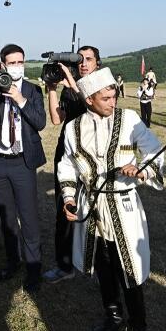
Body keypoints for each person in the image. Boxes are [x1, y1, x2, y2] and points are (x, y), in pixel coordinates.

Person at [59, 67, 164, 331]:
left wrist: (140, 169)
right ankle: (113, 317)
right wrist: (69, 198)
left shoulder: (129, 119)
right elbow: (67, 164)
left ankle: (138, 326)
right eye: (105, 98)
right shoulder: (73, 127)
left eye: (113, 95)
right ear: (89, 99)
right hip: (91, 206)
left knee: (128, 267)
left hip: (123, 206)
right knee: (103, 266)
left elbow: (153, 149)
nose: (112, 101)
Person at [0, 43, 46, 292]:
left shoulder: (33, 90)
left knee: (28, 217)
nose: (17, 66)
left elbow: (40, 122)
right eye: (12, 63)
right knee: (7, 218)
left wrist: (20, 99)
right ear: (3, 65)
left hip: (22, 162)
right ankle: (13, 261)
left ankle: (33, 268)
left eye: (21, 62)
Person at [45, 45, 100, 283]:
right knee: (63, 210)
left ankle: (99, 264)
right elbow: (57, 119)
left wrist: (69, 78)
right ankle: (64, 264)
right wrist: (52, 89)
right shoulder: (70, 87)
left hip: (92, 154)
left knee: (97, 210)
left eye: (88, 59)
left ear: (98, 62)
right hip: (67, 152)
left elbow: (91, 104)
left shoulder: (102, 85)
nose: (84, 63)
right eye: (80, 60)